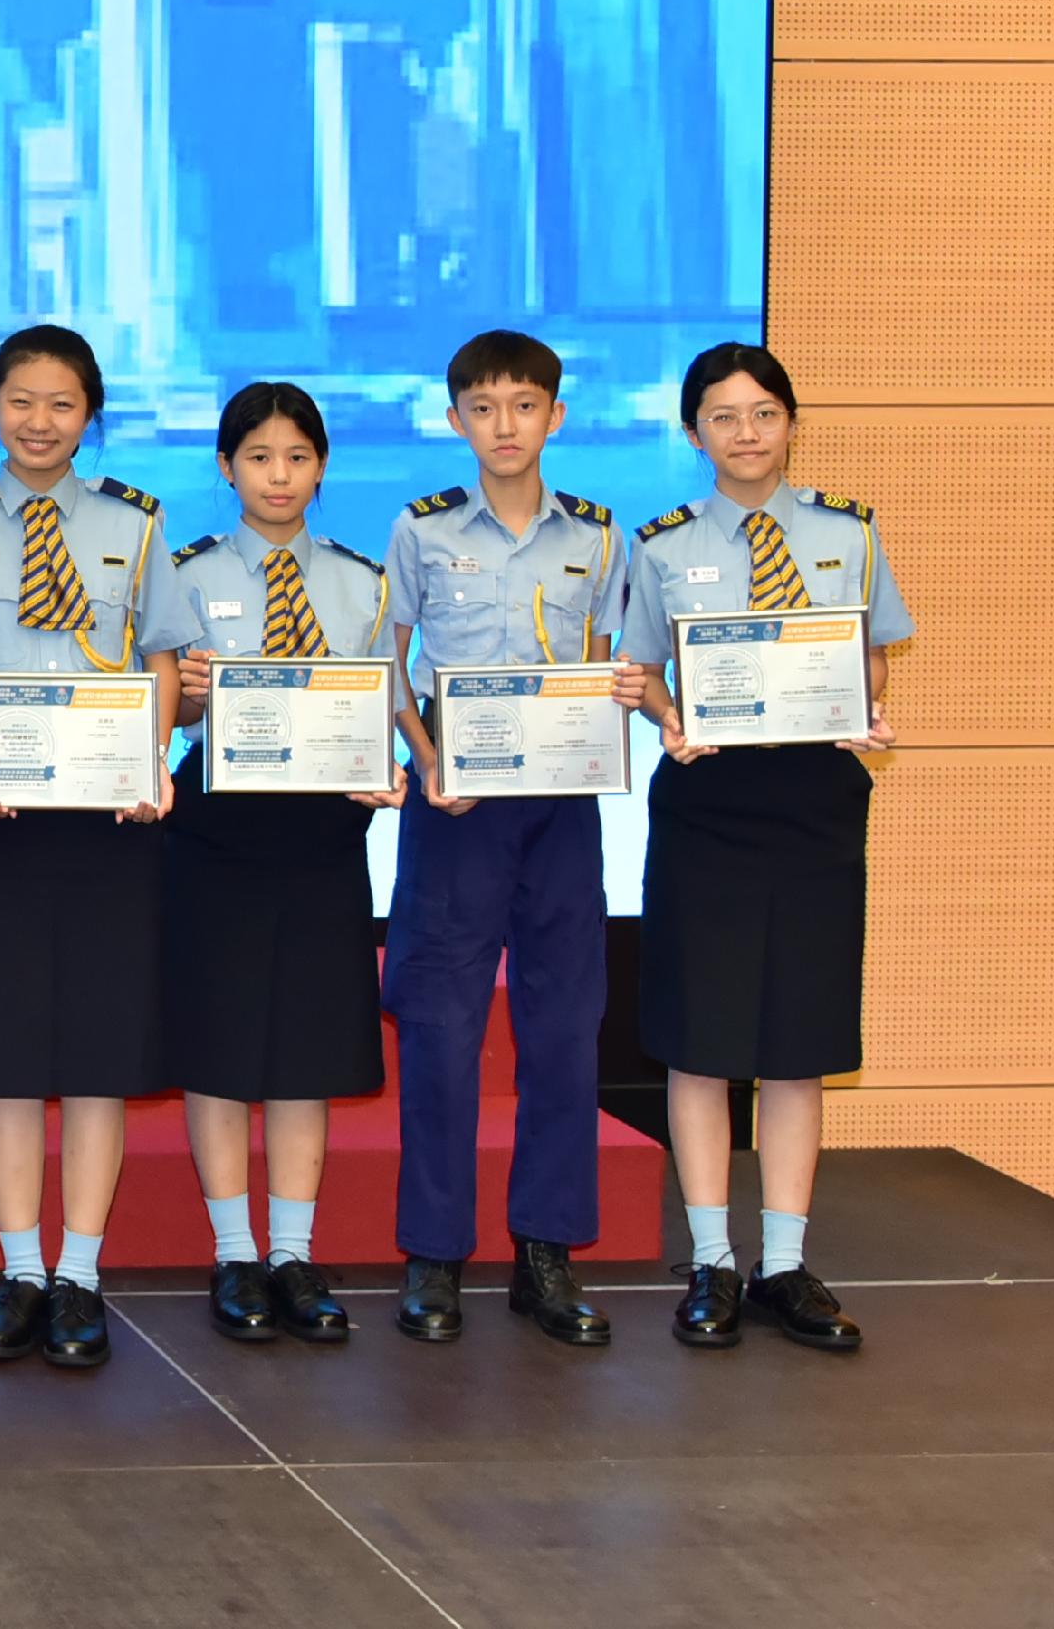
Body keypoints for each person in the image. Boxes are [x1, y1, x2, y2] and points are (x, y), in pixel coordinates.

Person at [619, 341, 910, 1354]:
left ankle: (782, 1262)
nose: (746, 431)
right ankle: (709, 1259)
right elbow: (641, 669)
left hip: (815, 798)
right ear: (692, 430)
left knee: (797, 1037)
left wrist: (868, 709)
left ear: (790, 421)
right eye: (723, 415)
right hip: (709, 795)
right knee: (702, 1036)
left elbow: (869, 654)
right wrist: (663, 714)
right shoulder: (657, 546)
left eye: (763, 412)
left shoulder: (847, 533)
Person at [0, 325, 168, 1371]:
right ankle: (20, 1270)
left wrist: (153, 758)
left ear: (89, 413)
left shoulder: (134, 525)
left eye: (60, 402)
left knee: (100, 1056)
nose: (38, 420)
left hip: (111, 820)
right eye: (20, 400)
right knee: (9, 1054)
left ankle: (81, 1274)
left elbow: (160, 657)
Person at [145, 382, 405, 1347]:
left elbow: (376, 708)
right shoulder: (180, 576)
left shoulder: (361, 581)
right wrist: (185, 700)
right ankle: (233, 1253)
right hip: (215, 835)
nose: (279, 476)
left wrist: (388, 772)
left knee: (306, 1050)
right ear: (226, 467)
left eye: (297, 458)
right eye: (259, 458)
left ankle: (293, 1253)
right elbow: (150, 711)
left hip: (322, 837)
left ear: (322, 466)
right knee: (218, 1047)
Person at [382, 327, 621, 1346]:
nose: (504, 424)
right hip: (456, 806)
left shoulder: (603, 535)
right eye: (482, 407)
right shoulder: (422, 529)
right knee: (440, 1029)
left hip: (561, 807)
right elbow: (385, 660)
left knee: (563, 1028)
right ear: (455, 420)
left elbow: (610, 660)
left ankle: (545, 1253)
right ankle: (434, 1255)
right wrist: (426, 755)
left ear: (554, 415)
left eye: (523, 404)